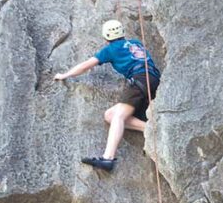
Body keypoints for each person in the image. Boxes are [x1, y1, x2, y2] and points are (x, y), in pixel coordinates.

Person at [53, 19, 160, 171]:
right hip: (152, 79)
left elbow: (85, 66)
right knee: (110, 115)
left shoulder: (109, 50)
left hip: (140, 79)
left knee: (118, 116)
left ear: (106, 37)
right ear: (122, 33)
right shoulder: (136, 43)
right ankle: (151, 128)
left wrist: (64, 75)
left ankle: (107, 158)